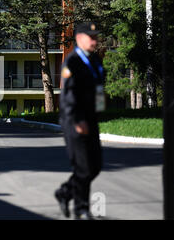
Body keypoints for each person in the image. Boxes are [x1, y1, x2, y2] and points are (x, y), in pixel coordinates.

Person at [55, 22, 105, 220]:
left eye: (96, 37)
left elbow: (99, 89)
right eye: (90, 37)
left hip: (91, 120)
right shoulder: (73, 62)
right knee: (83, 168)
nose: (94, 40)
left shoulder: (95, 61)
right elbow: (69, 95)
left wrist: (99, 113)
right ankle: (81, 210)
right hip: (74, 121)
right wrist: (77, 120)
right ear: (79, 38)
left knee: (96, 166)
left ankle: (65, 192)